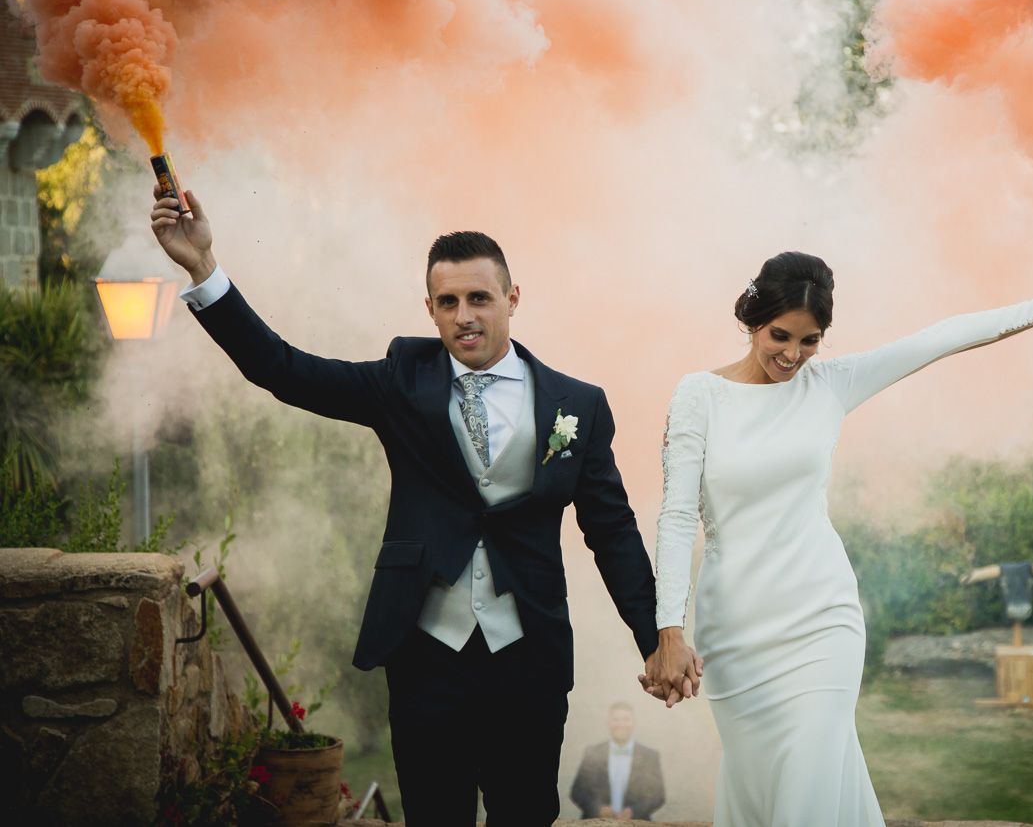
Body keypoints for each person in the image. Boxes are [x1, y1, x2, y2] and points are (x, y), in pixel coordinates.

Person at [149, 188, 698, 825]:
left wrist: (656, 638)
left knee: (526, 815)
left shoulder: (578, 404)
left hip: (529, 657)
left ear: (512, 300)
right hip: (427, 656)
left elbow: (613, 532)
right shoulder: (401, 379)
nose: (464, 315)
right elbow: (282, 368)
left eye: (480, 298)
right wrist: (203, 268)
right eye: (448, 302)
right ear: (431, 310)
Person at [644, 252, 1033, 826]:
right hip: (736, 636)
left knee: (808, 788)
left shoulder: (831, 384)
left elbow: (936, 339)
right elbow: (674, 519)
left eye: (810, 341)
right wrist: (669, 631)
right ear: (751, 319)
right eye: (779, 336)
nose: (792, 355)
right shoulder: (698, 396)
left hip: (822, 621)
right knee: (761, 789)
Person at [569, 702, 666, 821]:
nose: (621, 724)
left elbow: (658, 796)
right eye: (616, 719)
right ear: (608, 723)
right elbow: (577, 791)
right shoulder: (592, 752)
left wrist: (634, 811)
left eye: (626, 719)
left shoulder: (650, 756)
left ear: (634, 723)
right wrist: (598, 808)